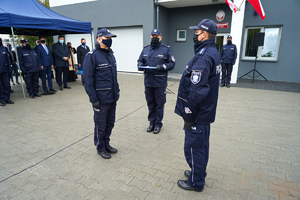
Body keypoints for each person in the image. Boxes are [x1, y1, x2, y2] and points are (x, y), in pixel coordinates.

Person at [174, 19, 221, 192]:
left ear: (205, 34)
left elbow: (198, 91)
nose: (195, 35)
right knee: (201, 146)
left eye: (197, 33)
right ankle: (198, 172)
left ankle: (196, 182)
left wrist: (188, 114)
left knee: (194, 148)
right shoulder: (212, 52)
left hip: (197, 114)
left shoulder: (204, 56)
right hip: (205, 112)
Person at [82, 28, 120, 159]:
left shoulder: (110, 54)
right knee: (100, 125)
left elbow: (114, 77)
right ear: (99, 39)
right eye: (107, 38)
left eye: (110, 38)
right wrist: (93, 99)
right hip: (101, 99)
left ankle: (106, 143)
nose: (109, 40)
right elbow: (87, 80)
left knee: (110, 123)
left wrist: (117, 91)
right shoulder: (91, 56)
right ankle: (100, 147)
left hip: (112, 97)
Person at [137, 29, 175, 134]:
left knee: (159, 104)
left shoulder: (166, 49)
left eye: (156, 36)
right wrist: (140, 65)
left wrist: (162, 67)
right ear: (150, 37)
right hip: (148, 82)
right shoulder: (145, 49)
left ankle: (158, 124)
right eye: (153, 36)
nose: (154, 38)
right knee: (150, 104)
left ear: (160, 37)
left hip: (160, 83)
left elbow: (171, 64)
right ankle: (151, 123)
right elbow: (140, 60)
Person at [0, 38, 13, 106]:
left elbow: (8, 59)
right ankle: (1, 100)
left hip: (5, 70)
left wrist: (9, 68)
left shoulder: (4, 48)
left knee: (6, 85)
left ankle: (7, 99)